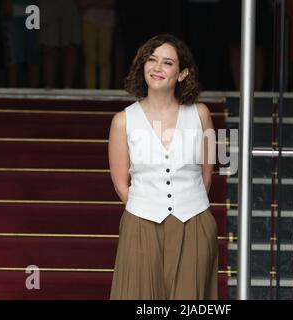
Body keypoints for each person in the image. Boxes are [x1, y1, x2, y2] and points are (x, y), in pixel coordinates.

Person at [108, 34, 218, 300]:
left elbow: (207, 174)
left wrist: (188, 205)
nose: (157, 68)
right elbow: (121, 183)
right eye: (152, 59)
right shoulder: (123, 120)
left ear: (182, 74)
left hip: (194, 222)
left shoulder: (201, 114)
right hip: (141, 223)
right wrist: (147, 207)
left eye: (167, 63)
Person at [77, 0, 117, 89]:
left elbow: (112, 3)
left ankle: (104, 90)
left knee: (105, 59)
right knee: (90, 59)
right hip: (88, 21)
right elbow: (81, 3)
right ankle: (90, 90)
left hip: (107, 22)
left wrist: (93, 3)